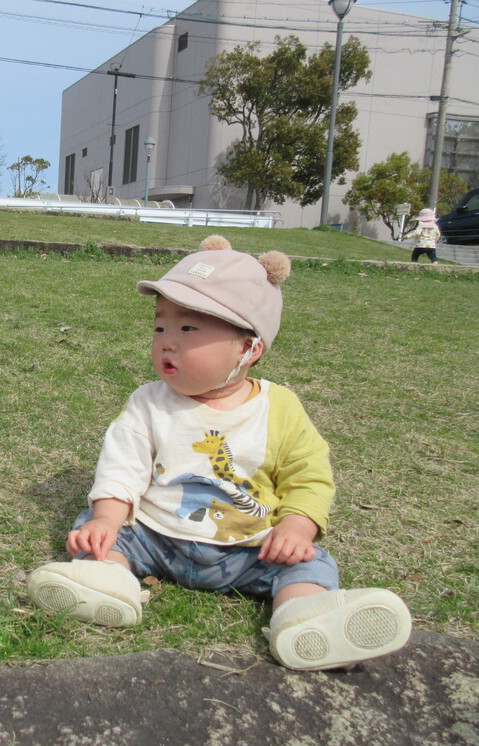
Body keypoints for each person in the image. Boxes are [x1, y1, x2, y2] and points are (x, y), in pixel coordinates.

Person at [26, 236, 411, 671]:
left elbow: (309, 476)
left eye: (188, 329)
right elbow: (122, 466)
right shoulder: (148, 402)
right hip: (156, 539)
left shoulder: (280, 408)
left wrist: (298, 529)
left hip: (250, 549)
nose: (167, 342)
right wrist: (106, 520)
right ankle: (109, 581)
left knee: (310, 564)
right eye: (159, 327)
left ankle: (303, 617)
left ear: (250, 348)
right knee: (99, 534)